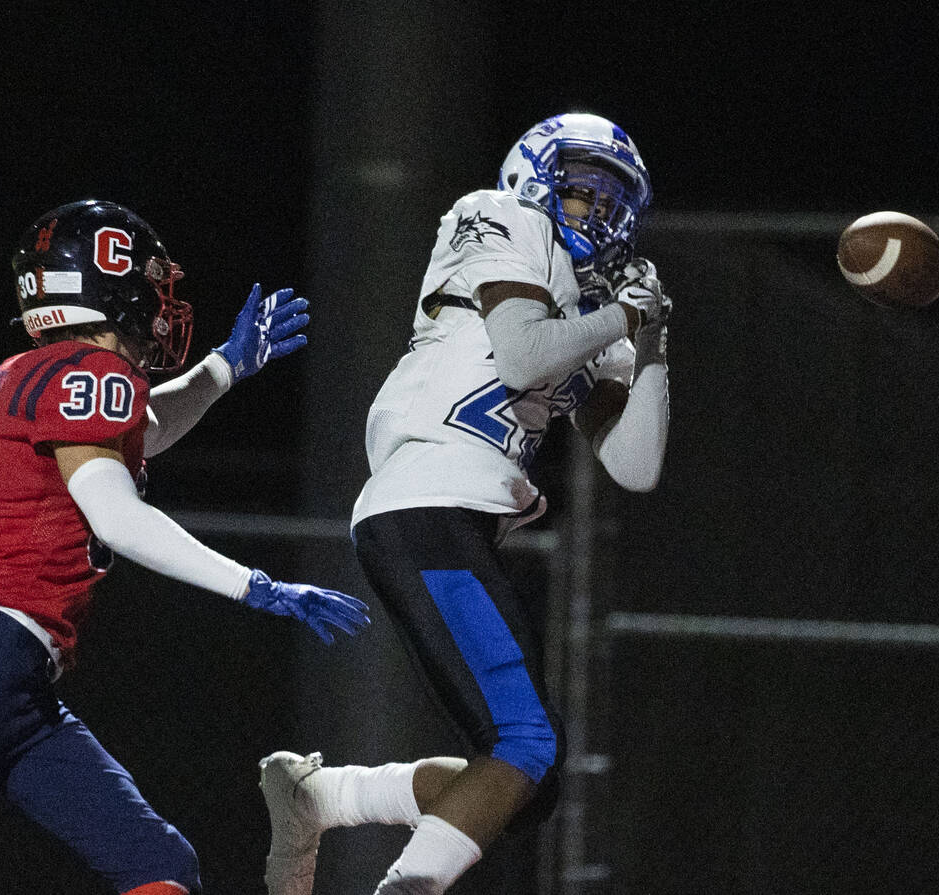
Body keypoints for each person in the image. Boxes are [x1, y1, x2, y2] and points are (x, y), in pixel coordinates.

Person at [0, 199, 370, 895]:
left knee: (159, 866)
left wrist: (223, 369)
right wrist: (257, 585)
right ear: (112, 286)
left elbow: (142, 430)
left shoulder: (54, 372)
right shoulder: (89, 373)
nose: (163, 301)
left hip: (10, 668)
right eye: (152, 281)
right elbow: (118, 515)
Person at [257, 112, 671, 894]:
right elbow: (521, 354)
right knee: (524, 742)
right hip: (426, 502)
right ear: (535, 175)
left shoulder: (591, 309)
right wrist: (624, 318)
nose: (596, 211)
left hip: (448, 521)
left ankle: (324, 795)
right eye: (582, 189)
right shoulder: (501, 214)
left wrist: (651, 346)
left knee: (527, 784)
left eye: (612, 201)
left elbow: (636, 463)